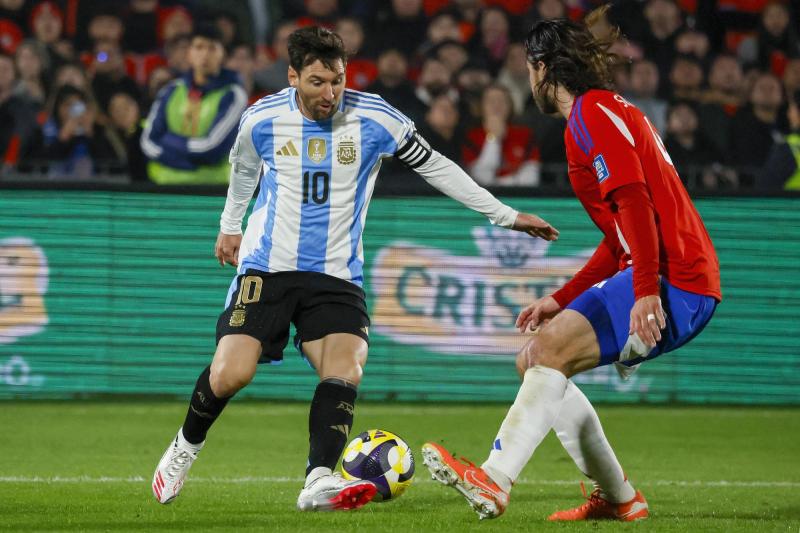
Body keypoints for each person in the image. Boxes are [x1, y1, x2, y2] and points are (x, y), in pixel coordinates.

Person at [151, 25, 559, 512]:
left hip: (336, 273)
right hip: (268, 265)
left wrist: (505, 215)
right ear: (293, 77)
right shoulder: (261, 118)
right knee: (231, 373)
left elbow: (437, 165)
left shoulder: (376, 118)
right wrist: (229, 225)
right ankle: (184, 448)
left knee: (346, 366)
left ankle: (319, 478)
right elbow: (243, 168)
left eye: (338, 81)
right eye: (318, 82)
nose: (330, 93)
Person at [422, 14, 721, 522]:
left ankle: (494, 481)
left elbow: (634, 204)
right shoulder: (597, 113)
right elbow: (619, 237)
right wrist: (560, 298)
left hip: (676, 277)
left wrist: (647, 290)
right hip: (662, 269)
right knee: (534, 359)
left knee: (548, 351)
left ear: (541, 68)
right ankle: (620, 499)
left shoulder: (593, 113)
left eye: (527, 67)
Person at [140, 24, 246, 184]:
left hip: (211, 191)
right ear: (189, 53)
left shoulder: (233, 95)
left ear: (223, 55)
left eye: (212, 48)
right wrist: (186, 160)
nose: (205, 54)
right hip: (163, 188)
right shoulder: (170, 91)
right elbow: (148, 141)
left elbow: (213, 149)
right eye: (199, 47)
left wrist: (168, 143)